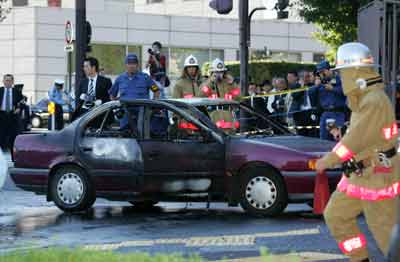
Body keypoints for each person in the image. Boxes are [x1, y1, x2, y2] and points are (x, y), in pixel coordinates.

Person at [316, 42, 399, 262]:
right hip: (359, 174)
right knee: (336, 216)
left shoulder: (373, 100)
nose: (341, 78)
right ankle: (359, 258)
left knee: (386, 235)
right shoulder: (363, 100)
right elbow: (362, 135)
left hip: (378, 175)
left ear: (356, 72)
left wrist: (328, 160)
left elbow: (356, 140)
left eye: (343, 72)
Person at [109, 53, 159, 128]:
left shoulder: (145, 77)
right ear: (126, 65)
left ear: (137, 65)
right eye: (129, 63)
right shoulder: (120, 79)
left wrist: (153, 107)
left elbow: (156, 91)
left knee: (141, 135)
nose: (131, 66)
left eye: (134, 63)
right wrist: (117, 110)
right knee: (125, 135)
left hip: (142, 112)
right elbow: (112, 95)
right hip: (125, 113)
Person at [309, 60, 347, 140]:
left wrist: (333, 88)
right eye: (319, 73)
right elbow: (311, 94)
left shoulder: (339, 79)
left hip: (338, 113)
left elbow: (345, 92)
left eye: (323, 72)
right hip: (326, 114)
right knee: (324, 139)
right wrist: (316, 86)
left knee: (337, 138)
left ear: (329, 70)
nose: (321, 74)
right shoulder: (320, 82)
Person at [0, 74, 23, 151]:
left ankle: (12, 156)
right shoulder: (0, 90)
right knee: (1, 135)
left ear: (12, 82)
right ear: (3, 81)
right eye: (6, 80)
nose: (8, 82)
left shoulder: (16, 92)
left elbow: (22, 102)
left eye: (9, 80)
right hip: (1, 115)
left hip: (12, 116)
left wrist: (19, 108)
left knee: (12, 137)